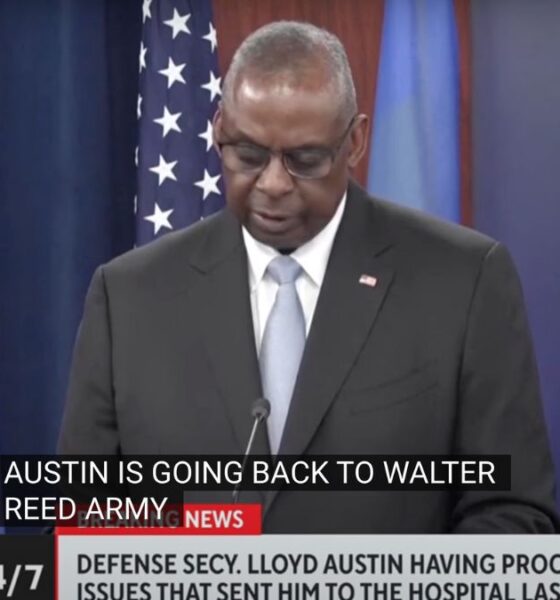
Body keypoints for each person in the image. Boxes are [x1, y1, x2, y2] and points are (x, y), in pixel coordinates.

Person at [58, 21, 558, 533]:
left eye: (305, 160)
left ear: (356, 141)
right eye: (248, 155)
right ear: (217, 130)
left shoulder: (464, 281)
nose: (273, 184)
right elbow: (75, 530)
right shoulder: (129, 297)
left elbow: (516, 516)